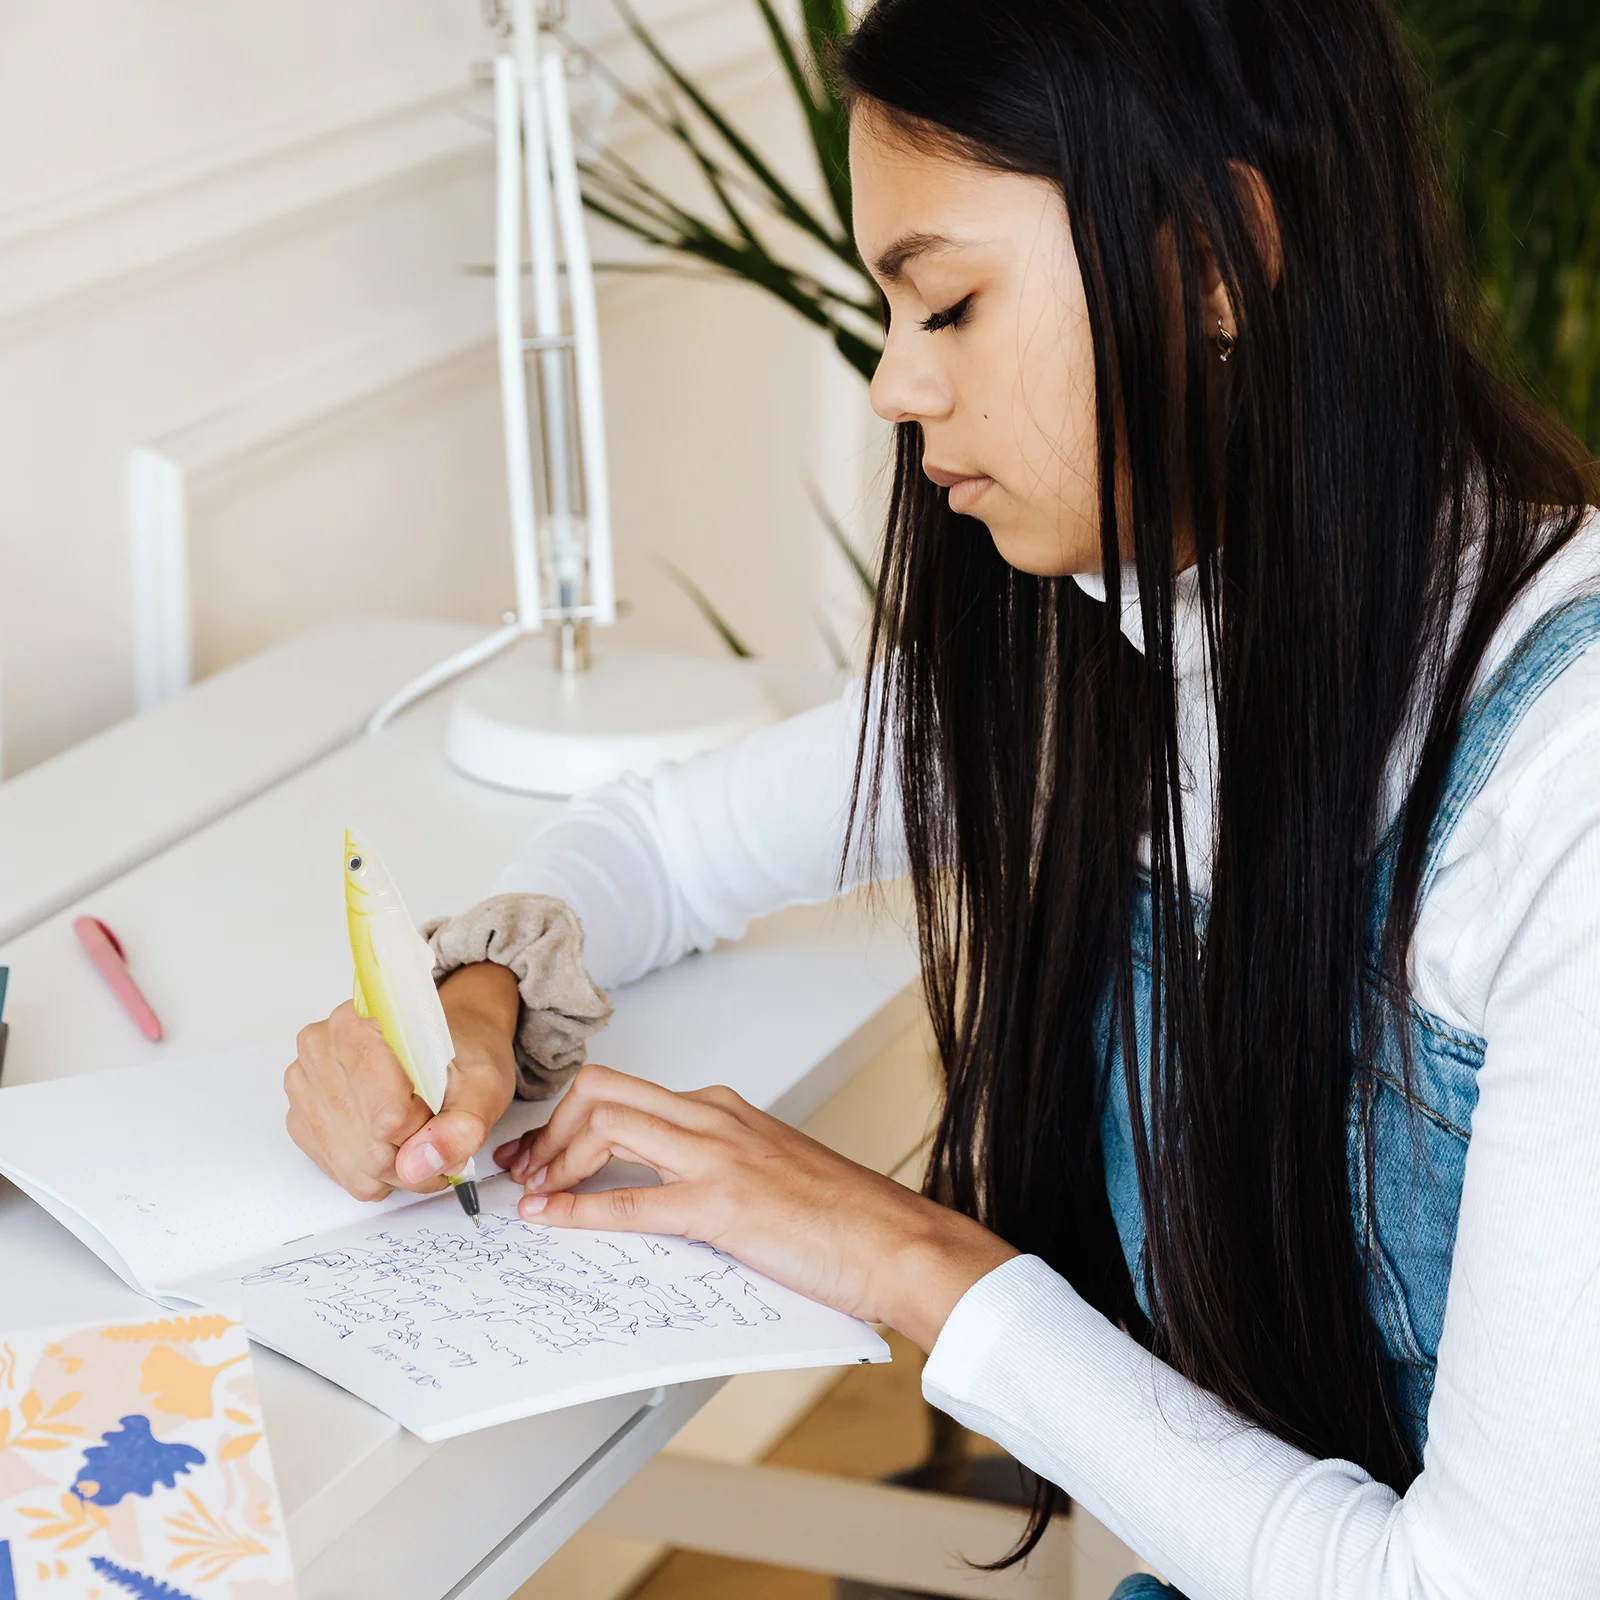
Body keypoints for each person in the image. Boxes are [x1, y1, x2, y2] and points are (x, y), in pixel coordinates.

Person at [285, 0, 1600, 1591]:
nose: (896, 387)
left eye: (951, 305)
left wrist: (899, 1253)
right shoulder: (1108, 646)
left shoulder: (1563, 782)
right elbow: (659, 847)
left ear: (1214, 264)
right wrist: (474, 1012)